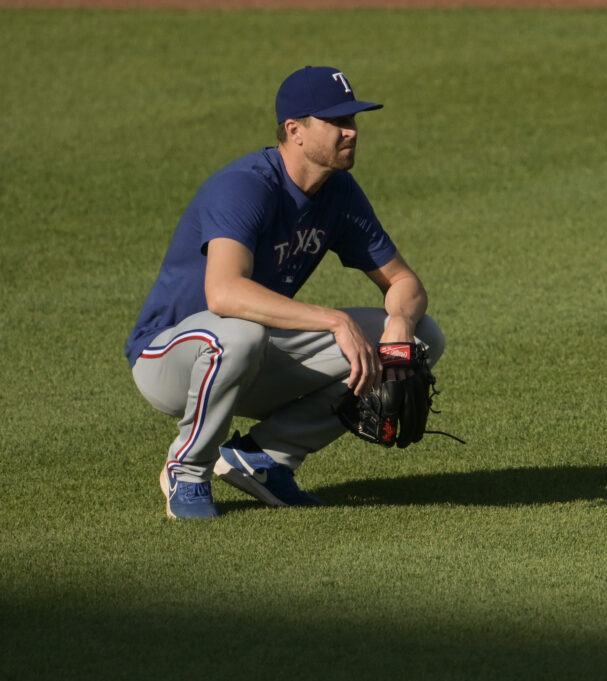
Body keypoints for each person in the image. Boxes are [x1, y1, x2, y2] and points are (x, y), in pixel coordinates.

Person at [124, 66, 445, 520]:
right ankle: (188, 468)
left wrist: (398, 326)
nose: (351, 132)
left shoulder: (340, 193)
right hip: (169, 355)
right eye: (338, 122)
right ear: (294, 130)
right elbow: (224, 293)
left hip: (249, 354)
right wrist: (336, 320)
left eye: (353, 121)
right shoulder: (245, 186)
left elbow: (404, 283)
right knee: (240, 334)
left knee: (421, 338)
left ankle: (263, 458)